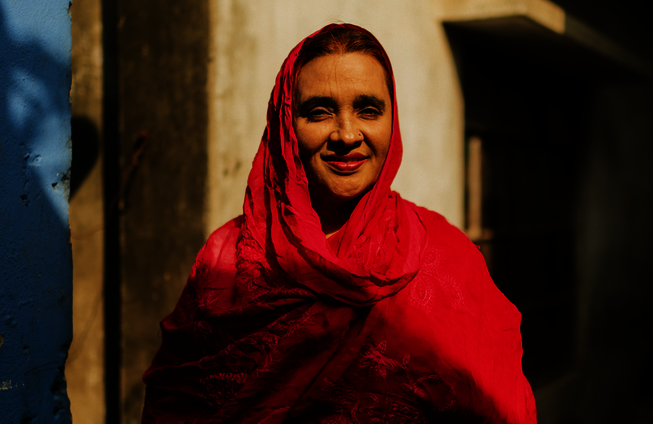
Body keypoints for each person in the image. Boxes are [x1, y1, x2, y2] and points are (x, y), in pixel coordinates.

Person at [142, 23, 537, 423]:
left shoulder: (446, 257)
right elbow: (175, 402)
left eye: (368, 109)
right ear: (286, 128)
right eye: (319, 112)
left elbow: (499, 406)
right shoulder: (227, 256)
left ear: (392, 120)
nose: (346, 134)